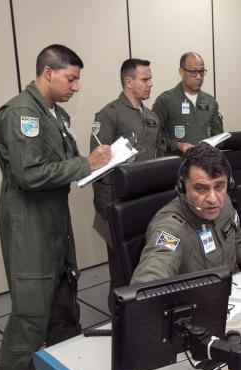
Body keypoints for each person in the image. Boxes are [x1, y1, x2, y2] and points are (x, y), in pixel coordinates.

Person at [0, 44, 111, 370]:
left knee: (63, 296)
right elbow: (29, 175)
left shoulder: (54, 114)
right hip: (29, 222)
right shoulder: (20, 113)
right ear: (48, 72)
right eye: (71, 78)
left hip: (54, 217)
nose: (75, 87)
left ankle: (66, 369)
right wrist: (85, 165)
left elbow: (64, 162)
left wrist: (98, 163)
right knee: (30, 313)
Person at [90, 58, 164, 305]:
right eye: (145, 79)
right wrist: (106, 210)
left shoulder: (151, 116)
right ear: (128, 81)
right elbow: (98, 169)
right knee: (121, 269)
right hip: (119, 205)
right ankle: (120, 318)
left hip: (148, 203)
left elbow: (158, 158)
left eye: (150, 78)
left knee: (147, 261)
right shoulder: (109, 115)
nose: (150, 84)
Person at [131, 143, 241, 283]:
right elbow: (152, 272)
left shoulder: (225, 203)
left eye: (219, 186)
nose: (213, 199)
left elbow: (237, 238)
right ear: (183, 186)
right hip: (198, 301)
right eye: (200, 188)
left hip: (234, 291)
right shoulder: (170, 229)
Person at [152, 52, 224, 155]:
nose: (199, 77)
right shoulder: (166, 100)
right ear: (181, 72)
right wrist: (177, 145)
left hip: (205, 163)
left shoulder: (210, 101)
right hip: (177, 164)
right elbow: (155, 135)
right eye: (193, 72)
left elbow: (218, 135)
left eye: (202, 72)